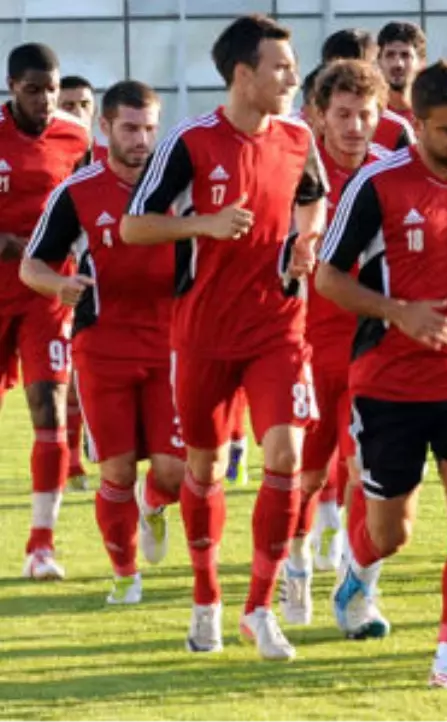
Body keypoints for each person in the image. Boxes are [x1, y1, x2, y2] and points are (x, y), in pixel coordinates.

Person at [121, 14, 327, 661]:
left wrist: (305, 238)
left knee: (287, 458)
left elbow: (314, 196)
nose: (293, 78)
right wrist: (202, 225)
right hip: (203, 335)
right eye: (281, 68)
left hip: (278, 329)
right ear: (244, 74)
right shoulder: (190, 142)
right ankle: (205, 599)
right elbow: (133, 227)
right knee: (203, 471)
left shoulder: (298, 137)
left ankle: (258, 609)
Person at [319, 60, 447, 691]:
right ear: (418, 125)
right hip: (389, 383)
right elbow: (327, 278)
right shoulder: (377, 186)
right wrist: (396, 312)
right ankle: (357, 572)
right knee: (391, 532)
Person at [21, 80, 184, 605]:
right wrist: (59, 285)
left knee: (174, 473)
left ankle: (154, 504)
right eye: (131, 128)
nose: (142, 139)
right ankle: (125, 575)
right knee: (114, 469)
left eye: (150, 128)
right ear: (105, 127)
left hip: (169, 343)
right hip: (102, 346)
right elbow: (32, 265)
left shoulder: (180, 188)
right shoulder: (77, 191)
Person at [279, 59, 390, 625]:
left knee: (366, 466)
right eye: (342, 114)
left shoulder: (392, 173)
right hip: (302, 343)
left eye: (365, 114)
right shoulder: (292, 169)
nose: (354, 126)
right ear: (319, 115)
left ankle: (357, 583)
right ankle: (295, 565)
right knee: (307, 470)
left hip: (371, 346)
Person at [0, 43, 92, 581]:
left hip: (46, 293)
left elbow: (90, 201)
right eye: (32, 89)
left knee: (50, 409)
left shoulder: (74, 137)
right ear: (12, 87)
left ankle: (41, 546)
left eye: (51, 89)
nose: (44, 99)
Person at [57, 73, 99, 491]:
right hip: (50, 275)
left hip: (94, 278)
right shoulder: (48, 153)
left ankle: (84, 445)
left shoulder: (109, 158)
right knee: (64, 374)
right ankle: (70, 459)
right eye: (67, 105)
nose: (75, 113)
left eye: (83, 104)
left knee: (80, 371)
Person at [376, 21, 426, 125]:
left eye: (405, 55)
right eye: (390, 55)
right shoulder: (370, 117)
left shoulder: (431, 117)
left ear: (422, 62)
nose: (398, 64)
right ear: (379, 61)